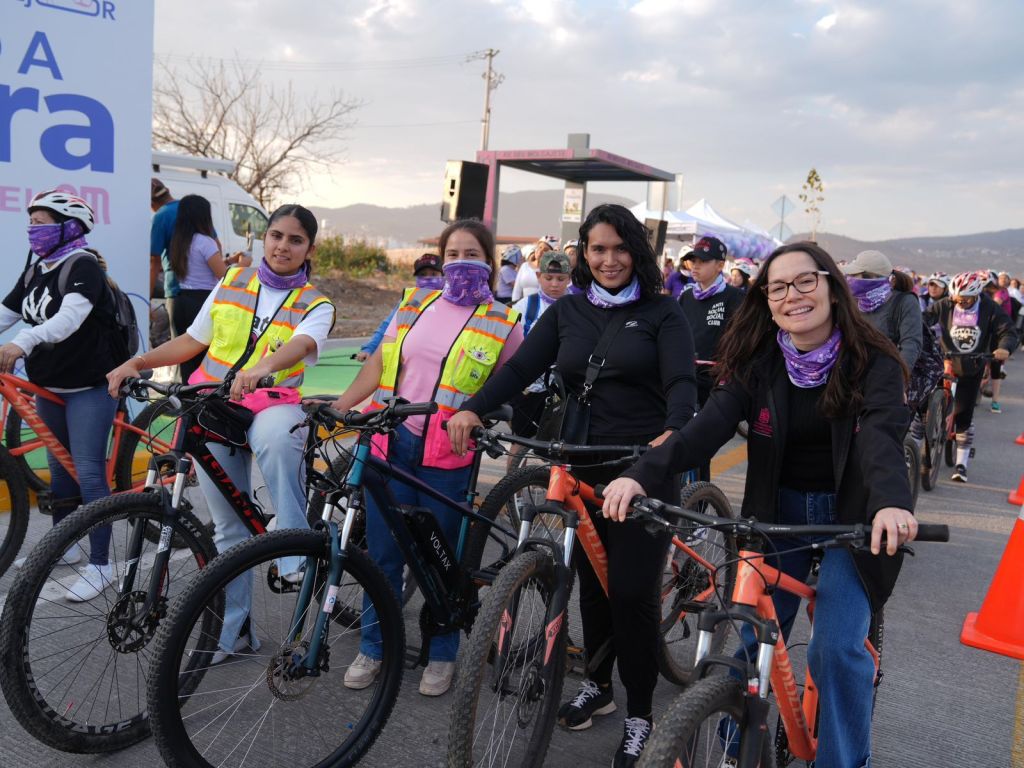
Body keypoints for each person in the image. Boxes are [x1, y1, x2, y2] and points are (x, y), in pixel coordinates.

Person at [602, 241, 918, 768]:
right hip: (777, 513)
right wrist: (640, 476)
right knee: (750, 639)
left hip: (854, 519)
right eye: (777, 287)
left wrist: (890, 503)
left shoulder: (873, 360)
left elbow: (881, 438)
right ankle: (736, 750)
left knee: (835, 649)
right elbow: (704, 430)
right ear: (766, 301)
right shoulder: (758, 361)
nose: (792, 295)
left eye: (805, 281)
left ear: (832, 288)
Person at [446, 203, 697, 767]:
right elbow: (520, 370)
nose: (608, 260)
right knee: (592, 585)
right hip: (581, 462)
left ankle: (640, 713)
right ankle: (600, 687)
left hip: (642, 470)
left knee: (630, 593)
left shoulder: (663, 312)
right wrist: (473, 408)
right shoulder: (568, 311)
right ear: (584, 252)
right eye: (597, 249)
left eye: (619, 248)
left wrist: (674, 432)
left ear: (637, 251)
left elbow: (682, 383)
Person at [107, 204, 336, 659]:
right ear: (264, 238)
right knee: (230, 531)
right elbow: (193, 340)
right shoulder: (232, 281)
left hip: (271, 404)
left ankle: (293, 545)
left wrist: (262, 368)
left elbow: (300, 345)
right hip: (215, 405)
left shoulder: (317, 303)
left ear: (309, 249)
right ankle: (235, 633)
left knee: (276, 437)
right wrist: (139, 361)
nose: (283, 246)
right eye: (276, 236)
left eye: (295, 240)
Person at [331, 219, 523, 698]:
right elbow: (380, 365)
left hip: (448, 453)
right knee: (382, 555)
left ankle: (442, 654)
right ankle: (374, 647)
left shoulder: (504, 321)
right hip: (389, 441)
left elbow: (512, 385)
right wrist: (342, 407)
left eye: (472, 254)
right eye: (452, 253)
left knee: (441, 560)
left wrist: (480, 414)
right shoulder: (414, 303)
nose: (461, 262)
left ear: (489, 262)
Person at [0, 190, 129, 600]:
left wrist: (23, 342)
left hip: (90, 386)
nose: (32, 229)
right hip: (51, 386)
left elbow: (69, 319)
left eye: (41, 223)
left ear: (69, 228)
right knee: (58, 471)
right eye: (31, 222)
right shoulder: (36, 270)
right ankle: (66, 546)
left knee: (87, 471)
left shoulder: (83, 265)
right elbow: (7, 313)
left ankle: (101, 564)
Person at [923, 271, 1017, 482]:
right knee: (926, 402)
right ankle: (925, 437)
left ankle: (961, 463)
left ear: (976, 295)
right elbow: (922, 320)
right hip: (946, 360)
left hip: (972, 364)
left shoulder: (989, 307)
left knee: (964, 414)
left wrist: (1004, 347)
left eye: (965, 299)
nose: (960, 301)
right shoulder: (945, 304)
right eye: (957, 298)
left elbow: (1008, 331)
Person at [679, 237, 745, 474]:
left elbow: (742, 341)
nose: (695, 266)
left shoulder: (735, 297)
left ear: (720, 265)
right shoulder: (686, 297)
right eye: (693, 261)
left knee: (702, 445)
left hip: (717, 381)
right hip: (686, 378)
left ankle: (701, 492)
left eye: (703, 261)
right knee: (679, 438)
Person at [167, 194, 250, 381]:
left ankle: (184, 395)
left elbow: (205, 267)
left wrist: (230, 260)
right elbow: (224, 276)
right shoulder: (206, 241)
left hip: (181, 301)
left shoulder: (179, 241)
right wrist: (244, 264)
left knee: (184, 358)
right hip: (202, 301)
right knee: (203, 358)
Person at [508, 250, 572, 441]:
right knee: (521, 439)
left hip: (565, 387)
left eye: (561, 279)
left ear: (569, 278)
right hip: (530, 387)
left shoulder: (579, 307)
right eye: (548, 278)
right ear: (538, 276)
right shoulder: (524, 306)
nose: (554, 284)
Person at [841, 249, 923, 372]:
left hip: (887, 375)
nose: (849, 279)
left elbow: (911, 344)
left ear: (870, 278)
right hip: (857, 375)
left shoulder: (905, 302)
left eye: (853, 275)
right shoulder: (854, 301)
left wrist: (898, 378)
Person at [355, 253, 443, 362]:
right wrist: (369, 348)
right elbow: (387, 325)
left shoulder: (450, 300)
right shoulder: (408, 301)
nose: (428, 278)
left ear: (443, 275)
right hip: (409, 360)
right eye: (423, 274)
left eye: (434, 274)